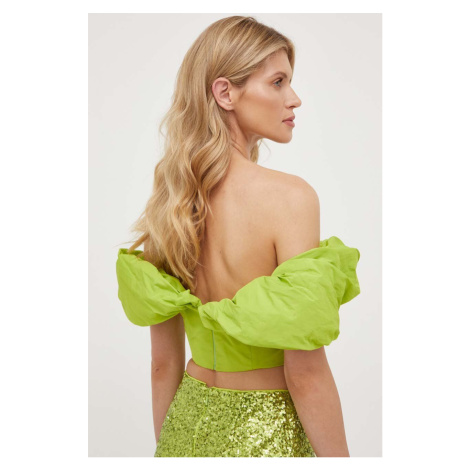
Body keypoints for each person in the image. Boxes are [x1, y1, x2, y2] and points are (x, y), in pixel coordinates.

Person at [116, 15, 361, 457]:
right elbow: (305, 374)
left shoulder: (171, 202)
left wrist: (173, 449)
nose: (295, 98)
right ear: (225, 93)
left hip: (184, 429)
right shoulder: (290, 199)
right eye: (278, 82)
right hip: (266, 438)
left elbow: (163, 365)